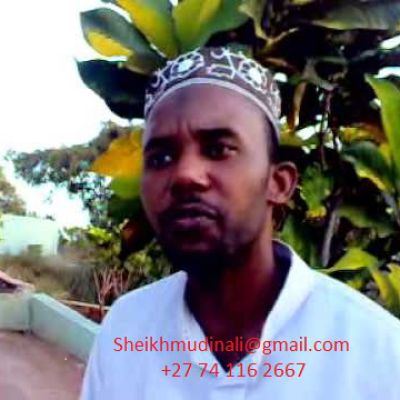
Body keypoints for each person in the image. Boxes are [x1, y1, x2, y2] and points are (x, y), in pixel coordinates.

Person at [81, 47, 400, 400]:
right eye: (161, 157)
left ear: (278, 183)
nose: (185, 175)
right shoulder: (126, 329)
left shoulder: (379, 356)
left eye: (218, 149)